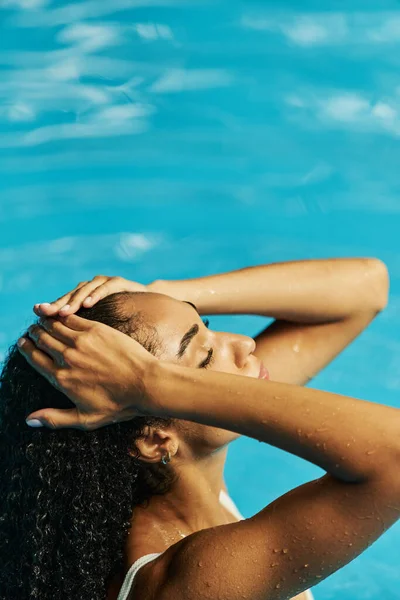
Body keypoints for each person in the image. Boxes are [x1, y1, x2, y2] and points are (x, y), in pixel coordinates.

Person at [2, 258, 400, 600]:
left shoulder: (183, 466)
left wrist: (169, 293)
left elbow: (367, 288)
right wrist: (151, 384)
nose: (244, 344)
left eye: (207, 326)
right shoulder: (185, 579)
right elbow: (394, 455)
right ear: (156, 439)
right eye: (205, 355)